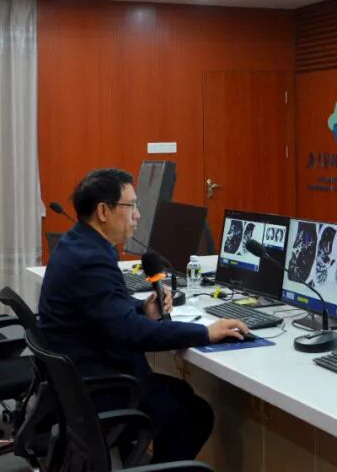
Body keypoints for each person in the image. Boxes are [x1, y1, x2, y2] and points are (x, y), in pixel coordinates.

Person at [39, 168, 249, 464]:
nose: (137, 215)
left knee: (182, 395)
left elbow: (103, 308)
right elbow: (130, 332)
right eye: (131, 206)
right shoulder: (92, 259)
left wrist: (142, 309)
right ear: (103, 211)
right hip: (100, 388)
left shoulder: (78, 243)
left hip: (80, 382)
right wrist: (205, 333)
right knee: (194, 413)